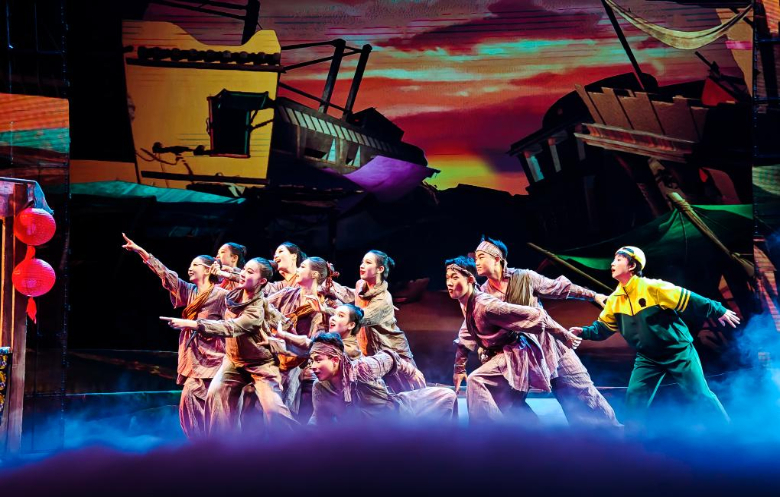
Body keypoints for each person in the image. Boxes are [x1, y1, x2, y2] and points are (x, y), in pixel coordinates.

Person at [570, 246, 739, 427]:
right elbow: (603, 328)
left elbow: (689, 299)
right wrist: (583, 332)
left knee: (699, 393)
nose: (613, 263)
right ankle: (632, 436)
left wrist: (718, 309)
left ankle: (726, 431)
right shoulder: (614, 300)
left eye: (618, 260)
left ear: (632, 265)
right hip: (648, 358)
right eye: (614, 259)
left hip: (678, 352)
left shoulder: (653, 287)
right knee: (635, 396)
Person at [473, 237, 619, 428]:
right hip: (517, 355)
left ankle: (611, 436)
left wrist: (593, 295)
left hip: (550, 347)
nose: (476, 262)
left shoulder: (525, 278)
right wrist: (481, 348)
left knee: (581, 393)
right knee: (506, 403)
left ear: (497, 259)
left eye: (481, 257)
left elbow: (560, 288)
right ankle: (533, 439)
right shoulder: (482, 294)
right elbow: (477, 325)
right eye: (475, 258)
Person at [168, 257, 297, 434]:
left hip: (260, 364)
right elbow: (239, 279)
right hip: (233, 361)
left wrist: (192, 324)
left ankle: (300, 443)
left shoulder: (255, 311)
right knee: (215, 394)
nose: (243, 274)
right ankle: (221, 445)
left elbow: (229, 327)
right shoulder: (235, 295)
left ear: (262, 281)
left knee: (273, 409)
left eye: (250, 272)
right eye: (244, 269)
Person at [446, 256, 580, 424]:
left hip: (518, 355)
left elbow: (535, 315)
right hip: (503, 355)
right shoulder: (467, 305)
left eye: (455, 277)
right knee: (510, 406)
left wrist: (564, 334)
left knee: (477, 381)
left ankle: (488, 435)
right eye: (447, 278)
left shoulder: (487, 305)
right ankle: (534, 434)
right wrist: (459, 368)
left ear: (470, 280)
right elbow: (465, 334)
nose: (449, 283)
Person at [121, 233, 227, 439]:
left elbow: (229, 325)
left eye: (195, 265)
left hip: (214, 358)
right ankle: (199, 444)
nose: (190, 268)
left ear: (208, 269)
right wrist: (142, 252)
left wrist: (194, 325)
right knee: (189, 403)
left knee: (213, 407)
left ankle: (216, 445)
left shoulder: (222, 295)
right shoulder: (190, 291)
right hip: (193, 358)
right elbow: (167, 275)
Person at [307, 333, 454, 425]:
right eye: (311, 361)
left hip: (396, 413)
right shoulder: (320, 387)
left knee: (447, 396)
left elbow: (389, 358)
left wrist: (411, 372)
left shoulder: (362, 368)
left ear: (335, 360)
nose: (313, 366)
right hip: (360, 436)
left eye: (318, 360)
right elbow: (319, 419)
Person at [265, 257, 344, 420]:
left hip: (310, 362)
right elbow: (263, 305)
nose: (297, 270)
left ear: (314, 274)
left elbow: (345, 323)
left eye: (302, 267)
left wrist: (324, 310)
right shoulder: (288, 293)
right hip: (281, 356)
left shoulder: (329, 303)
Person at [334, 250, 421, 394]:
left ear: (380, 269)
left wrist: (332, 312)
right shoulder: (360, 285)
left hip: (392, 349)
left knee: (409, 392)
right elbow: (350, 294)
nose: (362, 266)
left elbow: (360, 318)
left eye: (368, 263)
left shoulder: (383, 299)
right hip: (371, 352)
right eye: (362, 262)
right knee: (378, 394)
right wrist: (327, 284)